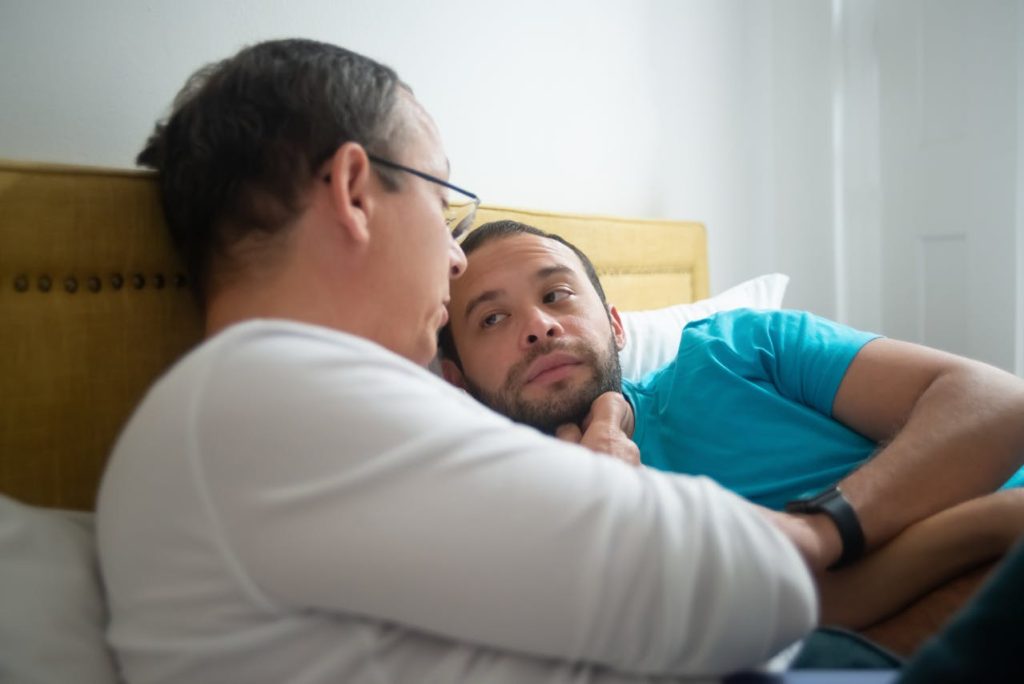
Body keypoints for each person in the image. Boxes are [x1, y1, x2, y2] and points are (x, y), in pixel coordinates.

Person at [96, 39, 830, 684]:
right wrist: (605, 476)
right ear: (355, 191)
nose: (454, 259)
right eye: (444, 206)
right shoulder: (266, 393)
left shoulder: (255, 403)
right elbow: (754, 587)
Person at [438, 219, 1024, 628]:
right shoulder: (504, 512)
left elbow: (999, 402)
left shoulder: (739, 348)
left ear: (617, 326)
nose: (539, 325)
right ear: (456, 378)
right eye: (492, 318)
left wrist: (820, 532)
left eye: (559, 294)